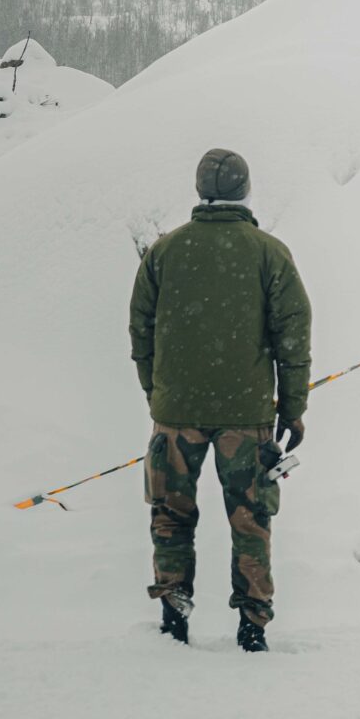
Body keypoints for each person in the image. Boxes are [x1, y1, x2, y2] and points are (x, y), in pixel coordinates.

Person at [129, 147, 313, 652]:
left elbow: (139, 331)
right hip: (247, 415)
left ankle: (173, 613)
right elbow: (292, 335)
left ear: (199, 191)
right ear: (245, 191)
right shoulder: (268, 252)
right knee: (251, 520)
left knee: (170, 516)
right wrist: (292, 408)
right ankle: (253, 626)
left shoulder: (164, 252)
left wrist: (157, 393)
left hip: (175, 415)